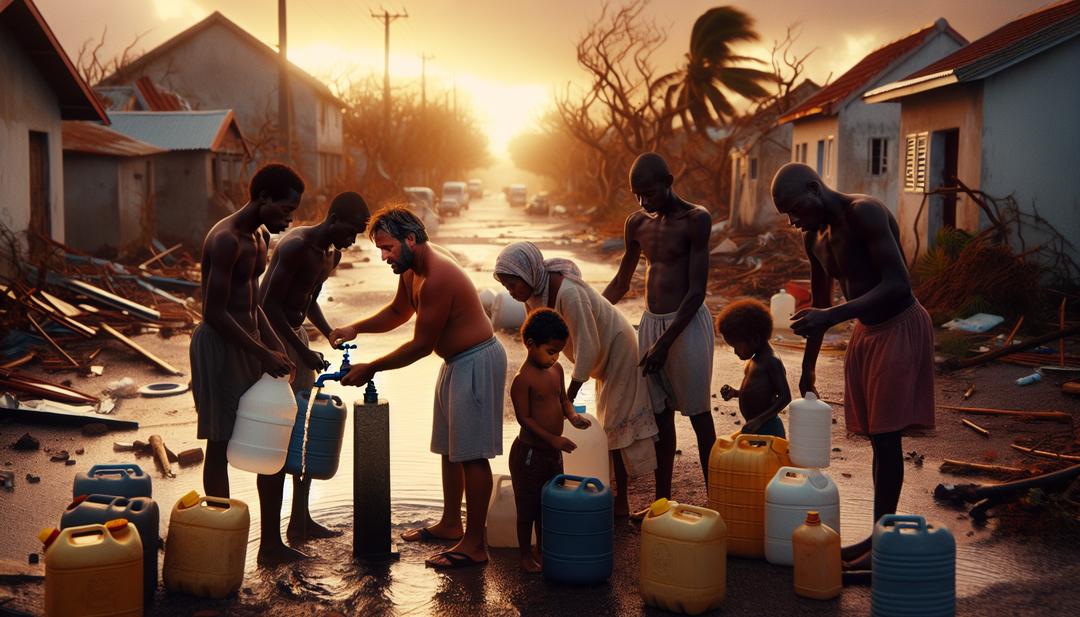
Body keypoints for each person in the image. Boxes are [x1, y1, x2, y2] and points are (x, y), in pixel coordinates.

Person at [770, 162, 935, 570]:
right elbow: (821, 303)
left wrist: (832, 316)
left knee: (886, 437)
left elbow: (899, 283)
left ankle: (883, 548)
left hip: (899, 325)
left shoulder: (866, 212)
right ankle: (878, 538)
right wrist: (807, 368)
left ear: (814, 187)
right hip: (866, 331)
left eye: (795, 209)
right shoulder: (814, 239)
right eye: (787, 215)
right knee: (876, 438)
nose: (793, 221)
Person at [329, 206, 506, 569]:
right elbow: (398, 312)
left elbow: (421, 345)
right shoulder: (410, 267)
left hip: (477, 360)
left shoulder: (439, 276)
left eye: (388, 247)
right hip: (456, 361)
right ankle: (449, 523)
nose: (383, 256)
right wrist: (355, 328)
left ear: (411, 239)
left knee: (472, 454)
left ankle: (475, 544)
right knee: (449, 448)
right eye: (380, 248)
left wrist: (371, 368)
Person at [189, 163, 301, 565]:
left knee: (269, 439)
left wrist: (275, 346)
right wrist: (261, 352)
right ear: (264, 199)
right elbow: (215, 313)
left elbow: (253, 305)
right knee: (219, 444)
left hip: (250, 345)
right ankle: (219, 544)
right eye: (286, 209)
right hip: (219, 348)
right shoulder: (225, 240)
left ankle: (271, 544)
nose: (290, 218)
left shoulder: (260, 236)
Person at [495, 241, 657, 517]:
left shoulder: (569, 294)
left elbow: (588, 346)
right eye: (506, 286)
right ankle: (611, 492)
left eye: (513, 284)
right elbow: (533, 343)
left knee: (616, 426)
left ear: (529, 272)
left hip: (618, 348)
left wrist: (566, 399)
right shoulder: (532, 296)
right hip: (600, 356)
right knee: (608, 423)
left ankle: (622, 502)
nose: (511, 292)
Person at [603, 152, 716, 507]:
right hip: (651, 325)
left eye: (649, 192)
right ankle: (662, 503)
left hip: (686, 324)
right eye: (637, 194)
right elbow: (622, 281)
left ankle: (719, 504)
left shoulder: (696, 220)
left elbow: (697, 291)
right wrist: (592, 314)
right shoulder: (637, 223)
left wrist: (665, 344)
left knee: (699, 416)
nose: (643, 201)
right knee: (660, 417)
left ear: (668, 181)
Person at [258, 191, 370, 545]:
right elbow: (267, 305)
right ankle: (270, 541)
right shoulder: (295, 246)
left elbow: (308, 300)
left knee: (303, 431)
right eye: (350, 232)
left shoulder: (330, 255)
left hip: (296, 336)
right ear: (334, 219)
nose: (352, 242)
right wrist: (297, 353)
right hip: (274, 340)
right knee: (278, 438)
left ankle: (301, 521)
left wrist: (327, 333)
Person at [508, 308, 591, 572]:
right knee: (528, 508)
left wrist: (573, 418)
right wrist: (553, 440)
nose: (555, 358)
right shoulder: (523, 381)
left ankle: (541, 551)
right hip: (530, 454)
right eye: (551, 351)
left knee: (549, 505)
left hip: (551, 455)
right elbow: (525, 420)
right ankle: (524, 555)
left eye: (558, 352)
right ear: (530, 344)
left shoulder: (555, 371)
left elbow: (564, 400)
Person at [716, 299, 791, 437]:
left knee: (769, 459)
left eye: (737, 347)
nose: (735, 352)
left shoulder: (771, 361)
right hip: (755, 426)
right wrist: (735, 393)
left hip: (768, 427)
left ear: (755, 338)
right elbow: (759, 393)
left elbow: (785, 396)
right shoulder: (755, 359)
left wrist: (759, 420)